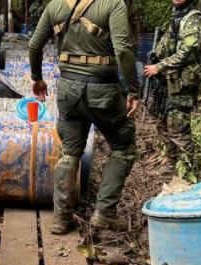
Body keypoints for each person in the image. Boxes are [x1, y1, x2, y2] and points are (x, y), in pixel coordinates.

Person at [28, 0, 140, 234]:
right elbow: (123, 50)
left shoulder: (55, 5)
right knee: (123, 148)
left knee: (69, 152)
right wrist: (133, 90)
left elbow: (34, 45)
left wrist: (37, 77)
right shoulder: (113, 4)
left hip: (68, 90)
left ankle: (61, 218)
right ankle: (105, 213)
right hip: (103, 91)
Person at [144, 0, 201, 174]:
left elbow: (188, 52)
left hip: (182, 84)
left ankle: (189, 171)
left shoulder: (194, 19)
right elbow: (165, 47)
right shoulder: (174, 17)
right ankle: (171, 165)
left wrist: (160, 66)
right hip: (167, 82)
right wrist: (156, 55)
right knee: (162, 124)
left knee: (178, 129)